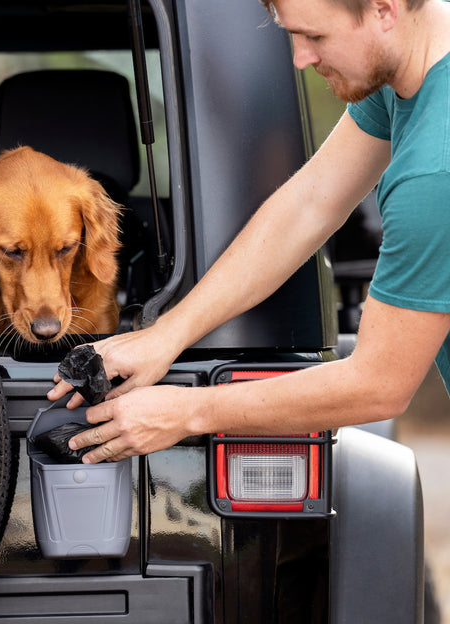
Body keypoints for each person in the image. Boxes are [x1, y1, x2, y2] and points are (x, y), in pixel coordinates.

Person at [48, 0, 450, 464]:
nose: (300, 57)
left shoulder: (434, 172)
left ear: (384, 10)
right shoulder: (405, 66)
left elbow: (377, 384)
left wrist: (188, 412)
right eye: (292, 35)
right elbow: (310, 203)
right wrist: (166, 335)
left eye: (315, 37)